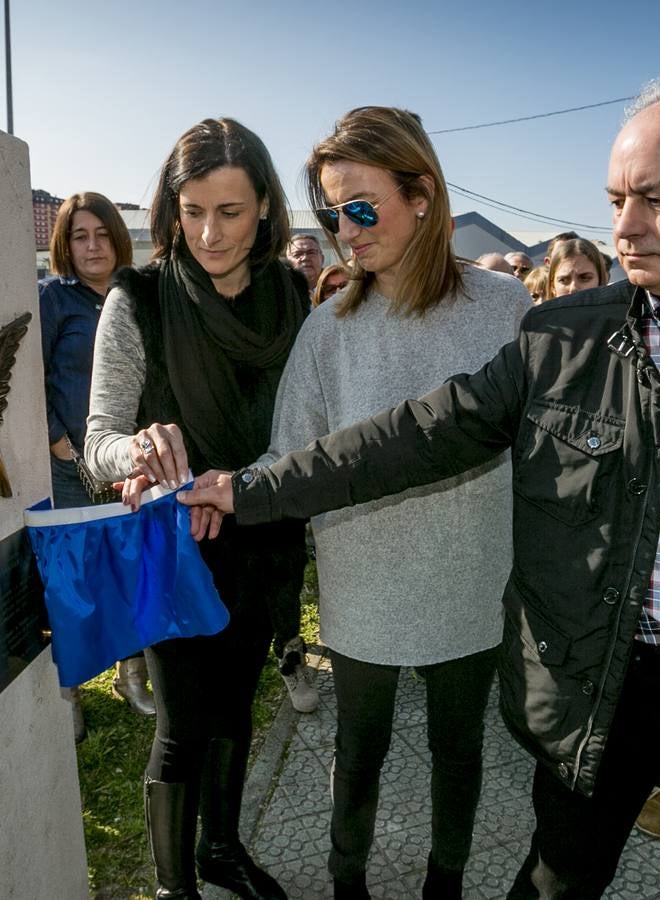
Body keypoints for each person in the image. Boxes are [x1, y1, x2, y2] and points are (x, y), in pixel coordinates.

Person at [181, 71, 660, 900]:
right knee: (554, 883)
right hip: (603, 688)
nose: (624, 227)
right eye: (614, 200)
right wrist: (247, 489)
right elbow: (417, 434)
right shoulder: (566, 337)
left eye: (655, 199)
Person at [280, 105, 531, 900]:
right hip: (362, 591)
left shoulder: (506, 309)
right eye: (331, 213)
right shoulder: (327, 329)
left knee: (460, 751)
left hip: (472, 583)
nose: (344, 231)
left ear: (421, 194)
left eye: (360, 207)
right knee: (359, 749)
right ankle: (345, 880)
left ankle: (444, 882)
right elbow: (288, 457)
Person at [86, 117, 307, 900]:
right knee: (181, 725)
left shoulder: (295, 298)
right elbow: (98, 437)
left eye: (230, 212)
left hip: (261, 535)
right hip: (172, 543)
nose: (209, 234)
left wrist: (248, 484)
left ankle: (221, 849)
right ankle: (174, 888)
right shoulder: (139, 297)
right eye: (191, 212)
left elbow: (308, 429)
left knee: (238, 710)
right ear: (168, 210)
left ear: (266, 211)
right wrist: (139, 455)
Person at [39, 192, 154, 730]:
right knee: (74, 580)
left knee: (129, 571)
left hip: (127, 464)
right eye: (80, 236)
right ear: (65, 243)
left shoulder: (134, 296)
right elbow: (29, 381)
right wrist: (58, 442)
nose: (92, 246)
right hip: (69, 466)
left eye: (102, 234)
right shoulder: (53, 300)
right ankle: (70, 692)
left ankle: (132, 675)